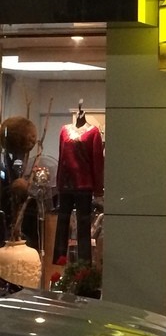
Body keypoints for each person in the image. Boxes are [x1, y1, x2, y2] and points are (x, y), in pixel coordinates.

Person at [53, 106, 104, 265]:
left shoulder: (93, 132)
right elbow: (61, 156)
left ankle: (84, 263)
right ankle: (59, 259)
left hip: (84, 184)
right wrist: (59, 182)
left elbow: (97, 161)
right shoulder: (64, 130)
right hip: (66, 184)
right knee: (62, 221)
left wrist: (98, 188)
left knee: (83, 224)